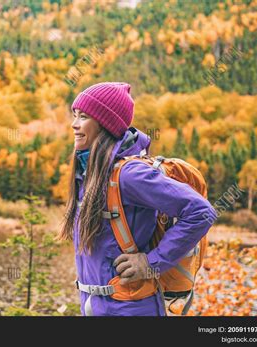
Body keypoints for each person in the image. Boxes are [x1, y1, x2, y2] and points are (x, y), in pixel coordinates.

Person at [58, 82, 217, 316]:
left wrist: (152, 263)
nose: (74, 124)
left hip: (131, 310)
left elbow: (201, 212)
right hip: (96, 307)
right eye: (75, 115)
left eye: (83, 117)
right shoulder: (90, 173)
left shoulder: (130, 175)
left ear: (106, 125)